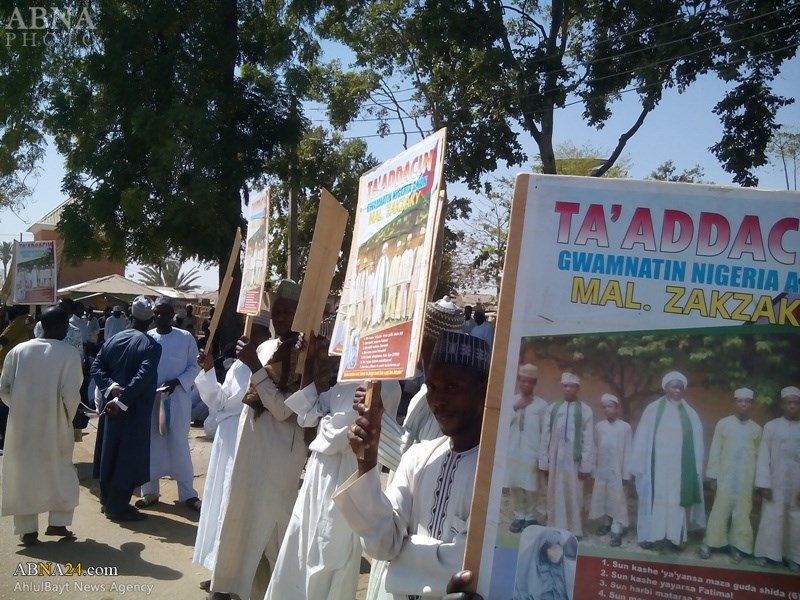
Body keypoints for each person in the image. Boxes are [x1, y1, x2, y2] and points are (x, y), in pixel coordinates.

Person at [334, 330, 491, 599]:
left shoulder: (495, 474)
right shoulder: (418, 457)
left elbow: (470, 572)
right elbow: (383, 546)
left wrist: (400, 560)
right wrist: (367, 461)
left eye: (452, 387)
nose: (438, 400)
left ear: (484, 389)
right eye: (432, 387)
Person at [208, 280, 309, 600]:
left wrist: (254, 365)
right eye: (276, 310)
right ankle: (230, 586)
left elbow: (283, 410)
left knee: (275, 527)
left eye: (287, 311)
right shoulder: (265, 346)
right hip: (251, 448)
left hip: (280, 454)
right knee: (241, 517)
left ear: (300, 315)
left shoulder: (304, 354)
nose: (280, 316)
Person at [266, 375, 402, 600]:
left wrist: (324, 421)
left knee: (328, 559)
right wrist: (308, 363)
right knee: (298, 547)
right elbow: (308, 415)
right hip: (317, 475)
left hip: (346, 478)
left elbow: (341, 436)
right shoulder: (345, 381)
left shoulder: (385, 385)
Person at [192, 308, 271, 591]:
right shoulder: (242, 363)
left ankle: (228, 579)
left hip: (243, 439)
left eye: (254, 332)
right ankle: (220, 572)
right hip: (227, 439)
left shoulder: (261, 360)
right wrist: (209, 369)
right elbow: (220, 400)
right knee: (219, 503)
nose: (245, 337)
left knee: (231, 505)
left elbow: (230, 403)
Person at [0, 307, 83, 545]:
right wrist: (69, 417)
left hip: (22, 425)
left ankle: (27, 531)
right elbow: (71, 394)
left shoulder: (18, 351)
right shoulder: (68, 353)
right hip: (55, 425)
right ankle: (58, 523)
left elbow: (4, 388)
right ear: (55, 326)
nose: (67, 329)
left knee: (25, 475)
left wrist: (19, 408)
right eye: (65, 325)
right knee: (61, 472)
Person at [91, 296, 162, 522]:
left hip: (111, 407)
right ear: (150, 320)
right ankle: (117, 506)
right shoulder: (151, 346)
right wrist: (122, 402)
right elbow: (143, 377)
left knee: (108, 451)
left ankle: (106, 500)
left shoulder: (113, 340)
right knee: (127, 456)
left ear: (130, 317)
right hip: (132, 409)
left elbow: (96, 366)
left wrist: (110, 389)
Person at [136, 296, 201, 511]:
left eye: (165, 313)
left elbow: (194, 367)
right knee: (150, 443)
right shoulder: (147, 338)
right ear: (153, 315)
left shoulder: (185, 338)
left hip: (177, 400)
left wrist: (177, 382)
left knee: (179, 443)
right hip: (152, 401)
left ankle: (188, 494)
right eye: (157, 313)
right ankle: (150, 492)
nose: (161, 317)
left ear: (173, 315)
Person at [631, 371, 704, 549]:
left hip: (679, 469)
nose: (677, 390)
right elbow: (642, 437)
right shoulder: (653, 410)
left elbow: (698, 444)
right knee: (654, 501)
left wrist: (696, 467)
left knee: (675, 503)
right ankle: (651, 536)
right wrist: (638, 464)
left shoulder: (690, 414)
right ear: (666, 388)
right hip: (656, 467)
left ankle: (674, 537)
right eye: (673, 387)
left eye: (680, 387)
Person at [698, 387, 762, 561]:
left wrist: (757, 481)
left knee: (742, 511)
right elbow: (716, 450)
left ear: (751, 405)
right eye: (740, 401)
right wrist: (713, 475)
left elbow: (758, 456)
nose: (743, 404)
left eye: (747, 401)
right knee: (720, 509)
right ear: (735, 403)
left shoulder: (756, 429)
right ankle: (710, 542)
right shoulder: (724, 423)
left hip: (745, 478)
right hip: (725, 476)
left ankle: (737, 546)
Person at [539, 373, 594, 537]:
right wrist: (544, 460)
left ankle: (574, 529)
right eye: (566, 386)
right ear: (562, 388)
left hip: (574, 460)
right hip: (555, 457)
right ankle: (554, 525)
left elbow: (588, 438)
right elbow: (545, 435)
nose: (568, 389)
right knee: (554, 491)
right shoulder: (553, 408)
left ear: (578, 389)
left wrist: (585, 464)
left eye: (572, 386)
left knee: (574, 492)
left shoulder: (585, 410)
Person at [753, 386, 800, 571]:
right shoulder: (771, 427)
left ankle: (793, 557)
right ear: (782, 405)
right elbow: (764, 456)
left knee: (796, 519)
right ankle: (767, 553)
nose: (792, 406)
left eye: (796, 403)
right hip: (775, 480)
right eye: (789, 403)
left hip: (797, 482)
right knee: (772, 516)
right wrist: (764, 484)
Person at [505, 363, 548, 533]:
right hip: (512, 450)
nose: (526, 385)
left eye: (530, 382)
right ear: (518, 380)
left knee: (531, 486)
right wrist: (516, 407)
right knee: (514, 485)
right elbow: (502, 425)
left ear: (535, 383)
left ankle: (530, 517)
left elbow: (545, 432)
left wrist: (543, 456)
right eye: (523, 381)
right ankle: (519, 515)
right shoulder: (511, 401)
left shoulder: (542, 405)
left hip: (532, 451)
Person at [588, 393, 632, 547]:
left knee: (617, 499)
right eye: (604, 407)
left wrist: (626, 473)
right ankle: (606, 522)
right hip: (603, 469)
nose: (607, 410)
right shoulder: (599, 426)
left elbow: (628, 450)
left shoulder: (625, 427)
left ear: (617, 407)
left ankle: (617, 527)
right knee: (604, 495)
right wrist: (594, 469)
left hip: (618, 470)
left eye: (610, 406)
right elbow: (594, 448)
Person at [0, 305, 33, 454]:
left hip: (10, 369)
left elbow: (3, 339)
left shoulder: (19, 321)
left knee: (5, 406)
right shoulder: (22, 322)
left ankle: (5, 439)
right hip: (13, 368)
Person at [513, 527, 577, 600]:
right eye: (553, 548)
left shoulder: (564, 570)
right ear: (543, 549)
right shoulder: (529, 569)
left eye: (560, 548)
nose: (557, 553)